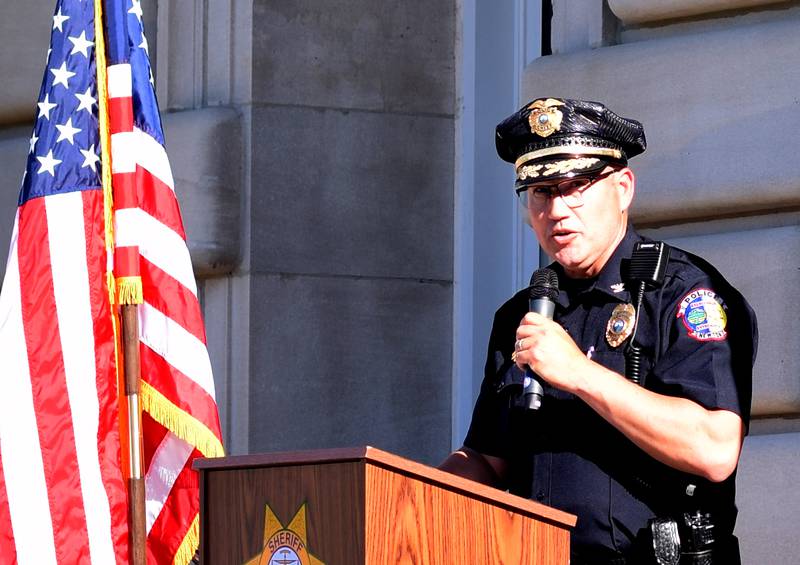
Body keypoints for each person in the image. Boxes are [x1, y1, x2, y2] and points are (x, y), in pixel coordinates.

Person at [439, 98, 757, 564]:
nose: (558, 210)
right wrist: (401, 500)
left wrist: (578, 373)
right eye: (542, 192)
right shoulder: (522, 316)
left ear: (623, 188)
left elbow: (713, 448)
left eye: (576, 186)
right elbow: (488, 460)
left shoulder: (686, 296)